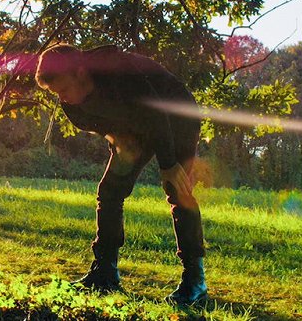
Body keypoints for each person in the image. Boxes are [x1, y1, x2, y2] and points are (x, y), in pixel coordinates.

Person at [34, 44, 207, 305]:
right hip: (135, 128)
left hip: (175, 115)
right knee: (110, 191)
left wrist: (169, 164)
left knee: (178, 190)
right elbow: (103, 126)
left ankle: (195, 282)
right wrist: (118, 140)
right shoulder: (70, 103)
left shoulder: (117, 69)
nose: (62, 99)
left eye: (64, 89)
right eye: (56, 93)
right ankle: (105, 273)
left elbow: (156, 111)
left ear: (81, 73)